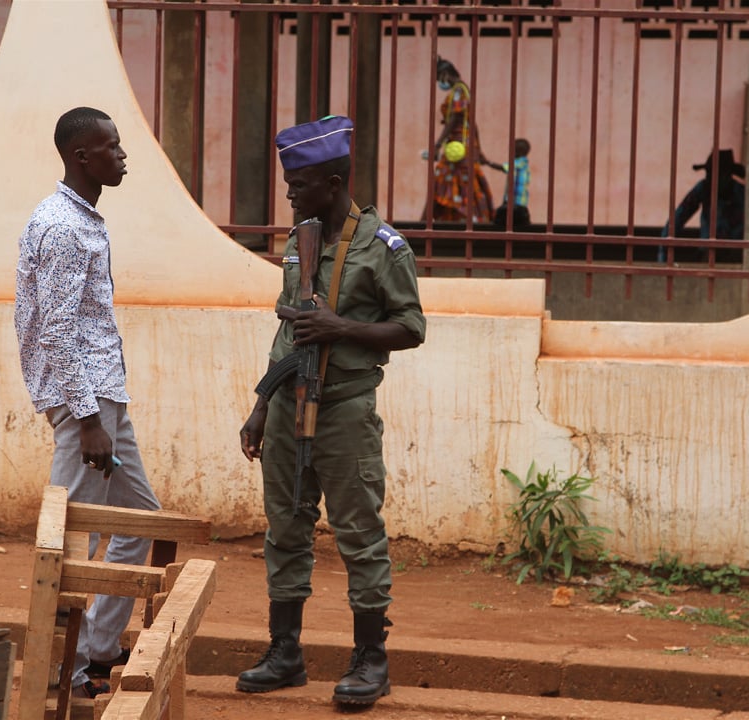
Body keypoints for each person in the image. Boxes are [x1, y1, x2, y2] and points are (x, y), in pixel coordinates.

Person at [237, 116, 426, 707]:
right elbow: (286, 333)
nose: (290, 194)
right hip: (290, 407)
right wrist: (261, 404)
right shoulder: (301, 241)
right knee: (286, 529)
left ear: (335, 180)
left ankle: (371, 660)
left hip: (345, 410)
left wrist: (342, 327)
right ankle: (285, 652)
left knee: (359, 535)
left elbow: (412, 328)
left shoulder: (384, 247)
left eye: (300, 184)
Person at [14, 106, 160, 699]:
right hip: (87, 407)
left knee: (138, 521)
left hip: (104, 397)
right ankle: (61, 676)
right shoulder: (61, 226)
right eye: (112, 146)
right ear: (82, 156)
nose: (122, 155)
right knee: (70, 541)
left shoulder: (85, 221)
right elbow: (54, 329)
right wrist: (87, 419)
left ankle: (97, 649)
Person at [426, 56, 494, 225]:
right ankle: (460, 218)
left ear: (446, 74)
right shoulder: (463, 90)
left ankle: (426, 221)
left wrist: (437, 143)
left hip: (458, 147)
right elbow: (471, 122)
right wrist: (479, 147)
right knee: (462, 182)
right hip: (463, 145)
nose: (439, 83)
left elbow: (455, 118)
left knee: (447, 180)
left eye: (439, 78)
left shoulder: (458, 91)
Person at [659, 148, 746, 262]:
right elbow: (678, 218)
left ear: (727, 175)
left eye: (715, 174)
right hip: (709, 252)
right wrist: (664, 252)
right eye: (708, 174)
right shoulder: (704, 188)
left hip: (736, 255)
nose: (709, 178)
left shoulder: (742, 194)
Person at [485, 138, 531, 229]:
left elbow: (503, 168)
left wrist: (488, 162)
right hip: (522, 204)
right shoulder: (525, 164)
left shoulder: (519, 163)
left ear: (518, 152)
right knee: (521, 227)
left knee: (499, 223)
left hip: (513, 203)